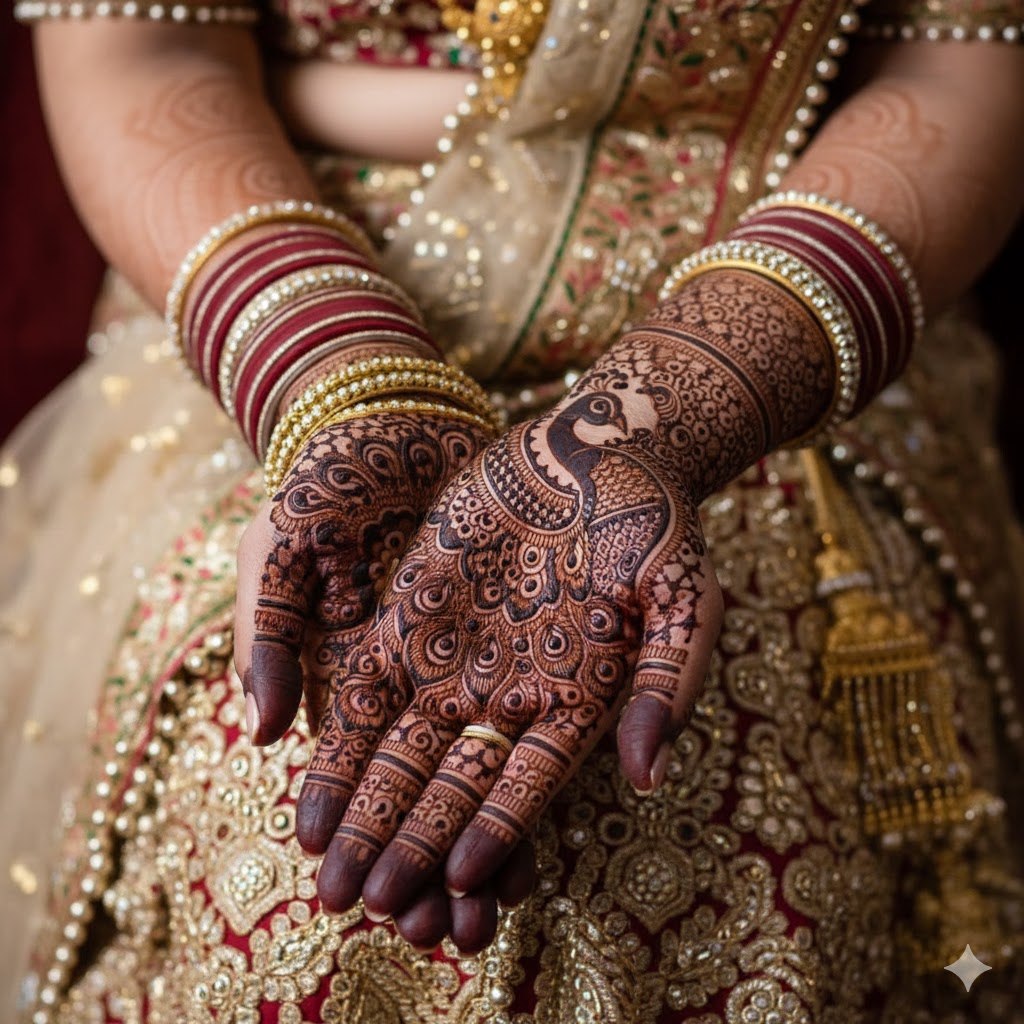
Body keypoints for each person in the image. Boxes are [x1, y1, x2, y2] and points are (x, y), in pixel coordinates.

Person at [2, 0, 1024, 1019]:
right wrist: (341, 384)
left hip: (791, 307)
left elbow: (957, 66)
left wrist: (659, 418)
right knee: (282, 809)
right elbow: (139, 44)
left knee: (720, 801)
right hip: (285, 283)